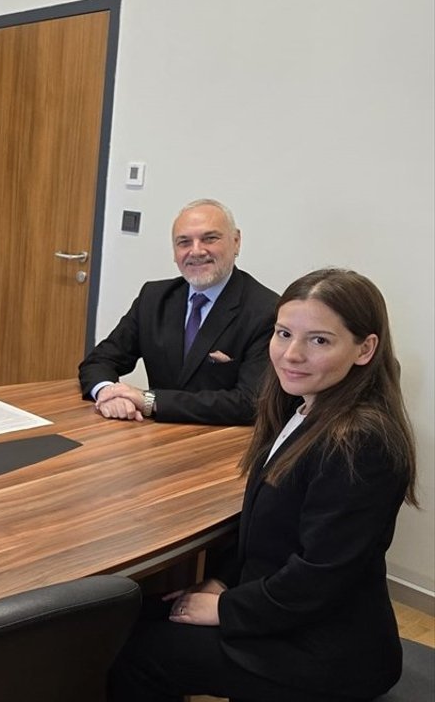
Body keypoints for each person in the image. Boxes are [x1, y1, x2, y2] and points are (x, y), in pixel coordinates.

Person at [108, 268, 418, 701]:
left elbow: (320, 576)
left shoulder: (361, 441)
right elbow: (263, 533)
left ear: (365, 349)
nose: (292, 354)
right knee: (129, 619)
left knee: (139, 653)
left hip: (325, 649)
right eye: (283, 333)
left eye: (319, 340)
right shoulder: (301, 407)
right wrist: (220, 580)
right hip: (281, 610)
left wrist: (225, 607)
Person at [78, 198, 278, 425]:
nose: (196, 251)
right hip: (155, 434)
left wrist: (150, 401)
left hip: (221, 438)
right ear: (174, 252)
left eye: (210, 238)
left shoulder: (266, 311)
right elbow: (99, 360)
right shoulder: (154, 298)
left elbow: (249, 402)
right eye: (184, 242)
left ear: (236, 241)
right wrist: (107, 392)